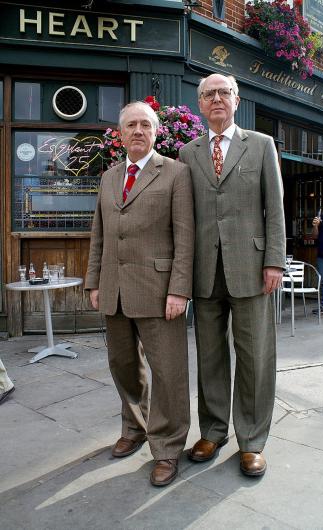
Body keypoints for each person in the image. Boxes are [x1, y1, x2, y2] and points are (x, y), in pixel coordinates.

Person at [179, 73, 286, 477]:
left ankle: (253, 441)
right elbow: (183, 218)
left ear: (237, 100)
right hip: (204, 272)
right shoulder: (187, 154)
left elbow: (274, 209)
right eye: (209, 94)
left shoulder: (260, 145)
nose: (217, 99)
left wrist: (274, 260)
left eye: (224, 92)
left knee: (255, 357)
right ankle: (213, 430)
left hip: (253, 269)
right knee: (210, 358)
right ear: (200, 104)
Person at [85, 101, 194, 487]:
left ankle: (167, 448)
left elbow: (185, 237)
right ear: (120, 132)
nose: (137, 130)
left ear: (156, 132)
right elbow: (99, 234)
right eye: (130, 124)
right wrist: (94, 282)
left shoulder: (176, 174)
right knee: (123, 365)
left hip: (160, 290)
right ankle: (134, 427)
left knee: (168, 374)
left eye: (145, 125)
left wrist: (179, 289)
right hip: (114, 288)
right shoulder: (110, 177)